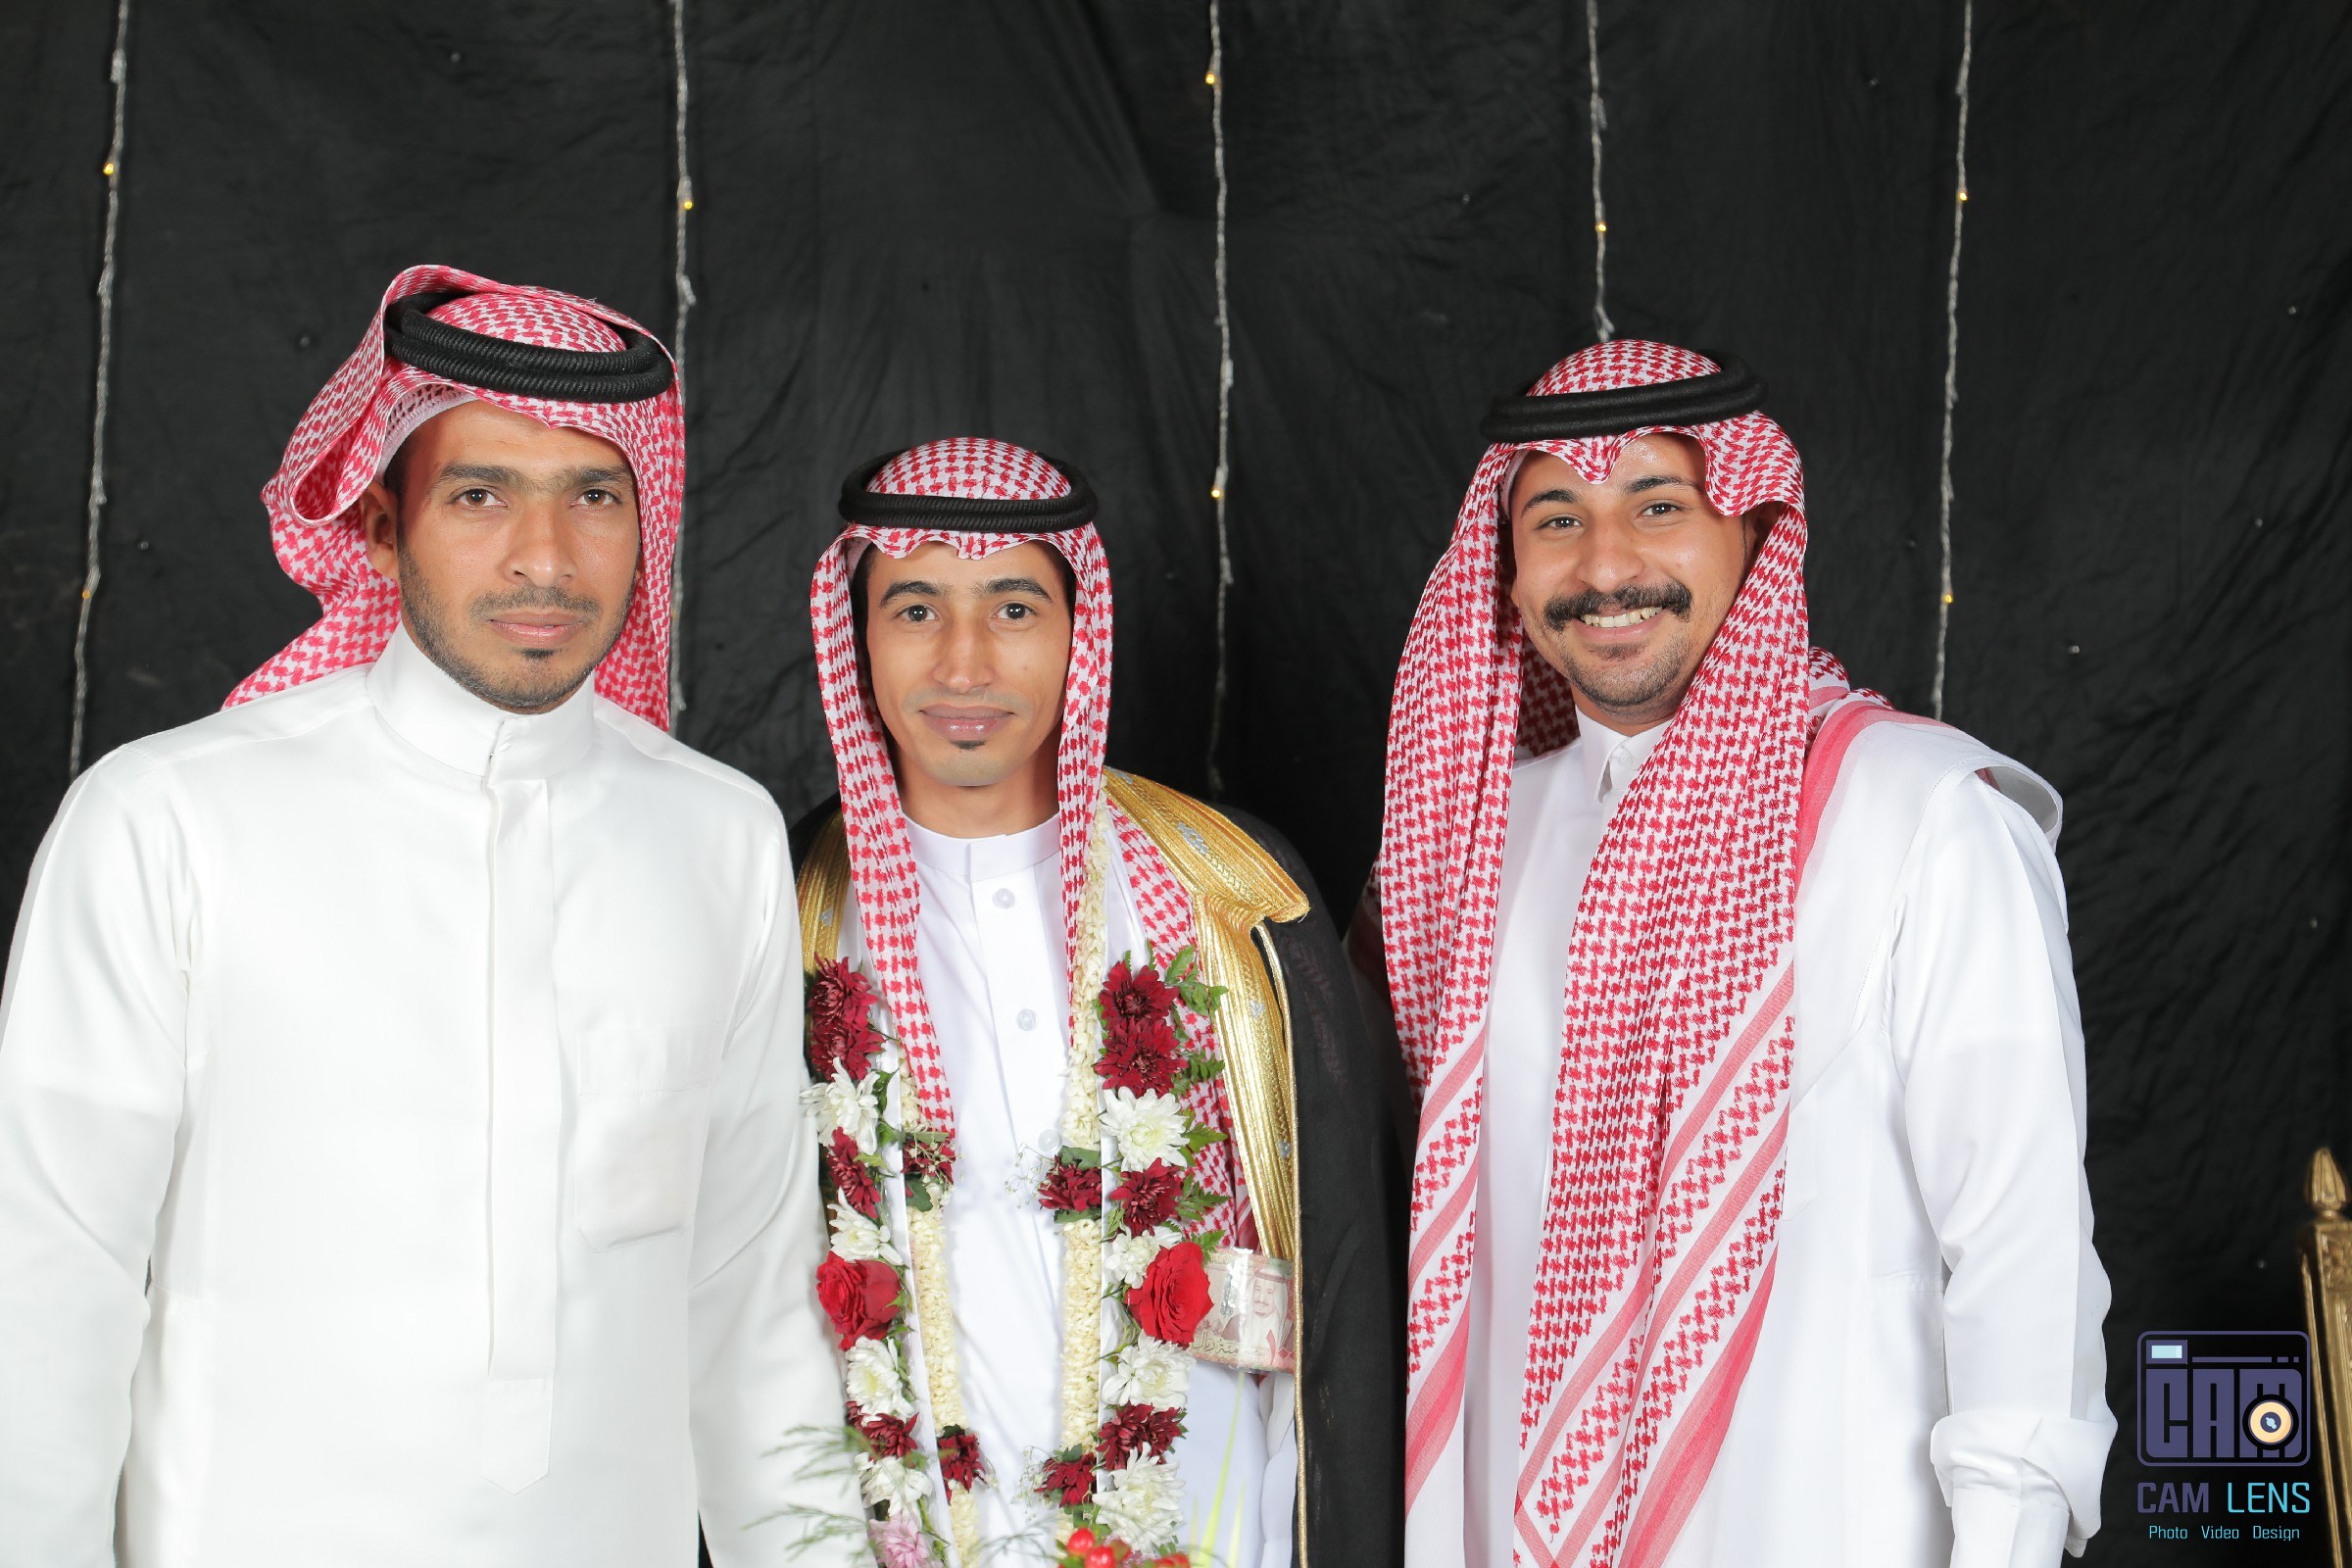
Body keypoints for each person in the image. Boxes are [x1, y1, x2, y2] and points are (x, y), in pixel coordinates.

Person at [0, 266, 858, 1568]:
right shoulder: (169, 822)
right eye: (479, 495)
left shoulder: (716, 836)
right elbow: (47, 1287)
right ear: (380, 523)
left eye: (594, 496)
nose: (544, 559)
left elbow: (752, 1304)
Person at [1354, 341, 2115, 1568]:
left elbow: (2022, 1246)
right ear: (1509, 562)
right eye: (1558, 519)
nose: (1607, 567)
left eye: (1659, 506)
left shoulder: (1920, 813)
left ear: (1753, 532)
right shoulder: (1467, 845)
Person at [792, 438, 1405, 1568]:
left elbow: (1331, 1281)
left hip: (1202, 1526)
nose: (964, 663)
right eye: (916, 609)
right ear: (856, 634)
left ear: (1079, 629)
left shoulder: (1226, 895)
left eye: (1014, 608)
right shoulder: (788, 912)